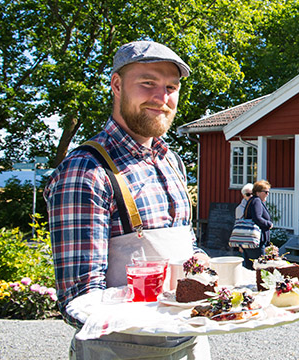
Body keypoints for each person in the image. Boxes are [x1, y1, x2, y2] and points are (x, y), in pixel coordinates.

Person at [45, 40, 211, 358]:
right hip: (120, 350)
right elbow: (78, 301)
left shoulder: (171, 161)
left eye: (171, 87)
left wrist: (203, 266)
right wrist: (154, 301)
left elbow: (185, 247)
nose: (162, 98)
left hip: (191, 344)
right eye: (148, 83)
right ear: (117, 85)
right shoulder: (87, 168)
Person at [242, 180, 274, 266]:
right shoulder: (256, 201)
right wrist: (268, 224)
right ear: (258, 192)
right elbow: (257, 218)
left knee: (250, 266)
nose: (268, 194)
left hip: (251, 240)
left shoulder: (253, 200)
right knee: (259, 266)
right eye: (266, 192)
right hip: (256, 241)